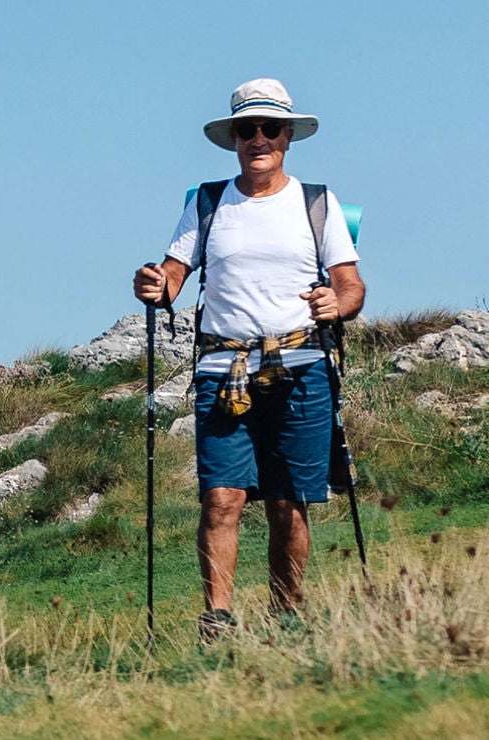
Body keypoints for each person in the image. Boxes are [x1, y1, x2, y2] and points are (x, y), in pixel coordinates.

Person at [132, 78, 365, 639]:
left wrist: (339, 303)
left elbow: (351, 286)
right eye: (247, 129)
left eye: (269, 128)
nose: (258, 139)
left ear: (288, 135)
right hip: (223, 370)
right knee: (221, 498)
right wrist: (154, 285)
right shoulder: (206, 203)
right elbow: (173, 277)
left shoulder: (318, 203)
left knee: (289, 504)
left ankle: (287, 615)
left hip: (301, 365)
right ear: (234, 138)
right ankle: (217, 619)